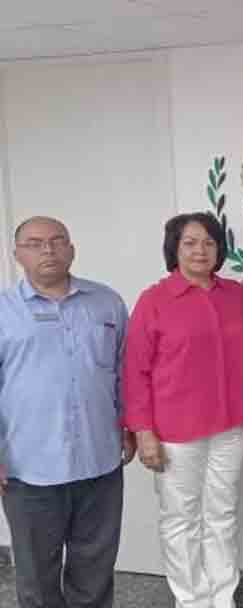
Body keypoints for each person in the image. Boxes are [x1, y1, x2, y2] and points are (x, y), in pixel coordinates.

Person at [122, 212, 243, 608]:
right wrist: (143, 430)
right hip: (174, 431)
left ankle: (223, 597)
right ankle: (192, 600)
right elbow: (135, 372)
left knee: (222, 514)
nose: (201, 250)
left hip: (230, 425)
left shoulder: (236, 295)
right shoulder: (154, 300)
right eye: (190, 242)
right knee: (180, 519)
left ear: (219, 249)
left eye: (209, 242)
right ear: (174, 248)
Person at [0, 216, 134, 608]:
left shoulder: (107, 302)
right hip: (29, 469)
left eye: (58, 241)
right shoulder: (4, 311)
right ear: (17, 254)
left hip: (99, 463)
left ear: (72, 249)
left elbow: (125, 371)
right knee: (37, 579)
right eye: (35, 243)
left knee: (94, 571)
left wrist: (130, 425)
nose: (48, 250)